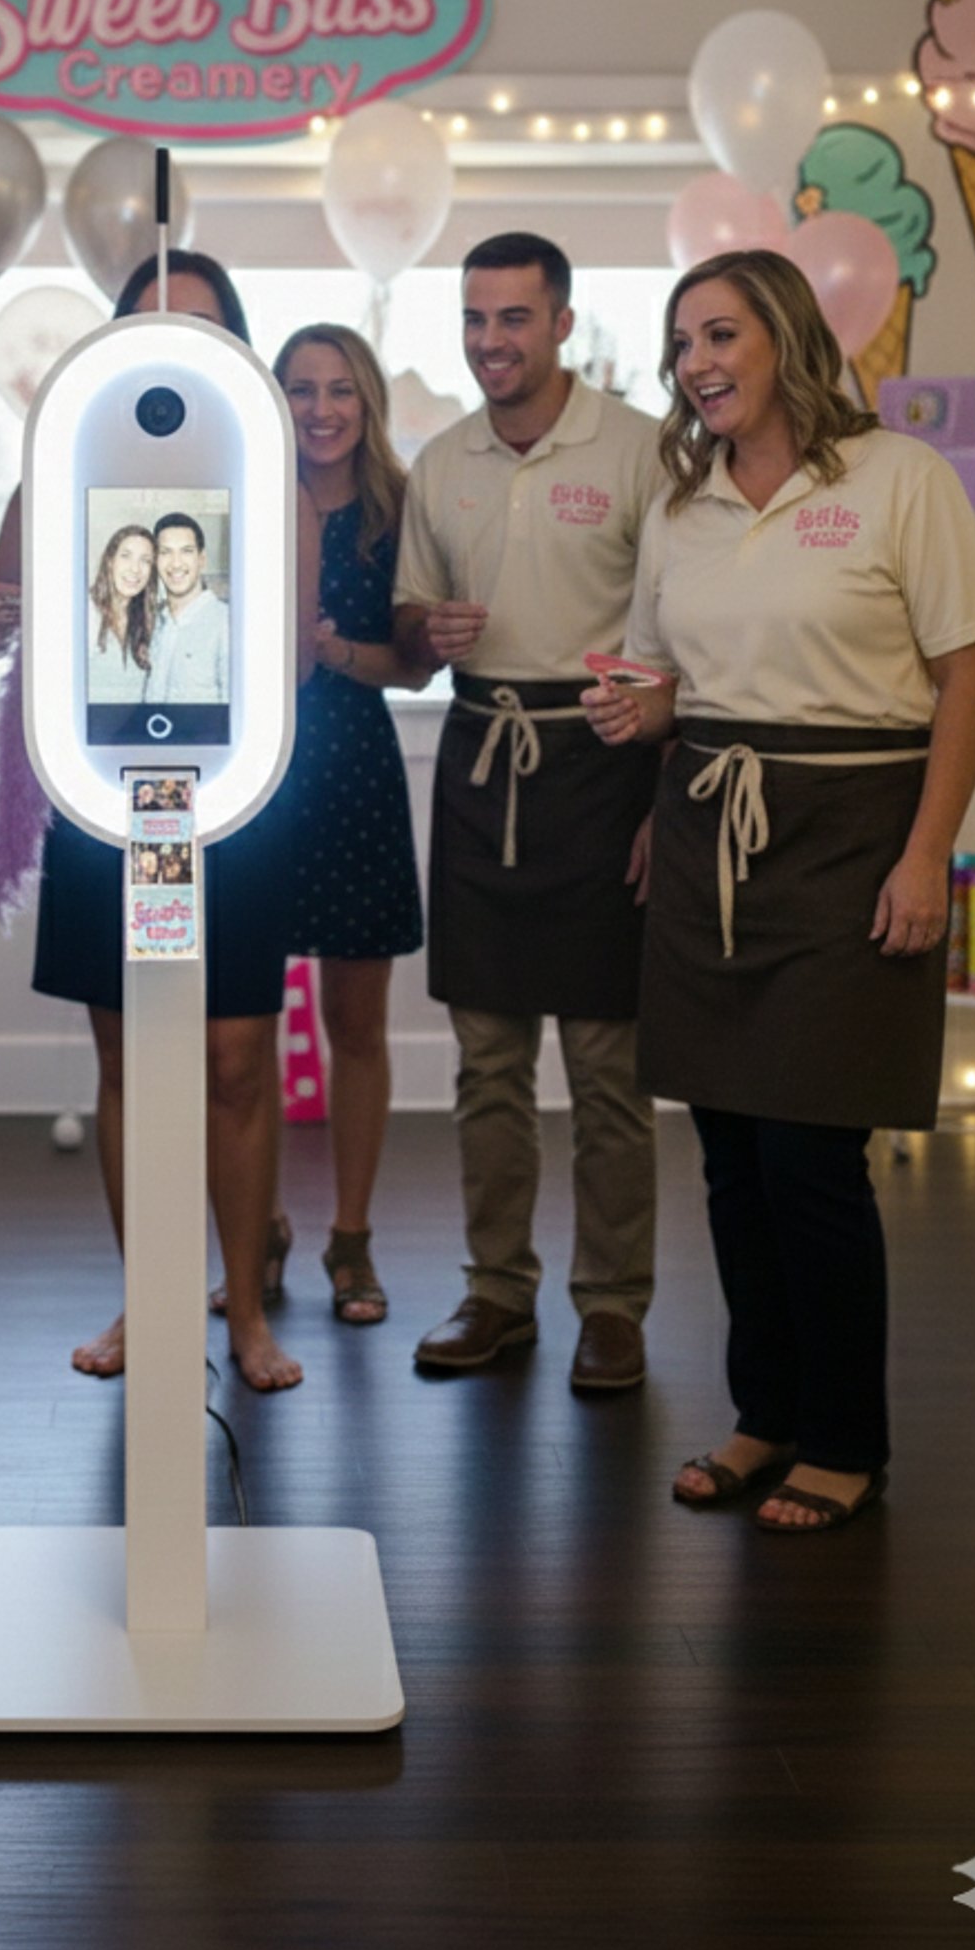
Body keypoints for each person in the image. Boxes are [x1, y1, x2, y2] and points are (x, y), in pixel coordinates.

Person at [585, 249, 975, 1529]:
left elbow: (970, 673)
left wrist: (928, 850)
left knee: (811, 1157)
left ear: (783, 338)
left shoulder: (898, 480)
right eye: (681, 345)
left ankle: (846, 1439)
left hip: (855, 835)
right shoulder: (681, 504)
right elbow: (672, 688)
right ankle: (764, 1414)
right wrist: (641, 723)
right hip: (711, 831)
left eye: (720, 335)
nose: (697, 365)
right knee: (727, 1156)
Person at [0, 250, 320, 1390]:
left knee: (232, 1059)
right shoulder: (60, 455)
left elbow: (295, 656)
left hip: (236, 808)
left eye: (204, 328)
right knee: (126, 1056)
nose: (175, 347)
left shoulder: (271, 472)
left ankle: (248, 1311)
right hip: (100, 804)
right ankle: (146, 1302)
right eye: (151, 325)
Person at [394, 232, 663, 1391]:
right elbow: (409, 638)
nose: (492, 341)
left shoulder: (644, 452)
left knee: (608, 1067)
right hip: (479, 758)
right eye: (475, 319)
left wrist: (661, 798)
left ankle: (613, 1305)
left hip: (604, 765)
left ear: (562, 321)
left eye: (513, 318)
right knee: (488, 1063)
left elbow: (681, 635)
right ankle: (497, 1288)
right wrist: (426, 634)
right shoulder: (441, 459)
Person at [261, 322, 428, 1327]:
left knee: (356, 1026)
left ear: (368, 403)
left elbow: (416, 665)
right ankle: (259, 1225)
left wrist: (335, 657)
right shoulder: (234, 487)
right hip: (256, 776)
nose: (320, 410)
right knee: (240, 1026)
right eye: (299, 390)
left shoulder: (399, 508)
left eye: (340, 391)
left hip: (355, 767)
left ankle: (351, 1243)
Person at [142, 512, 229, 703]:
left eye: (186, 551)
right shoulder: (154, 624)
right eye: (165, 552)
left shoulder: (227, 624)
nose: (176, 563)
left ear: (202, 559)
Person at [86, 523, 157, 703]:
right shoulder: (86, 613)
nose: (135, 569)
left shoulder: (148, 622)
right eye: (126, 556)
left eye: (145, 560)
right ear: (110, 561)